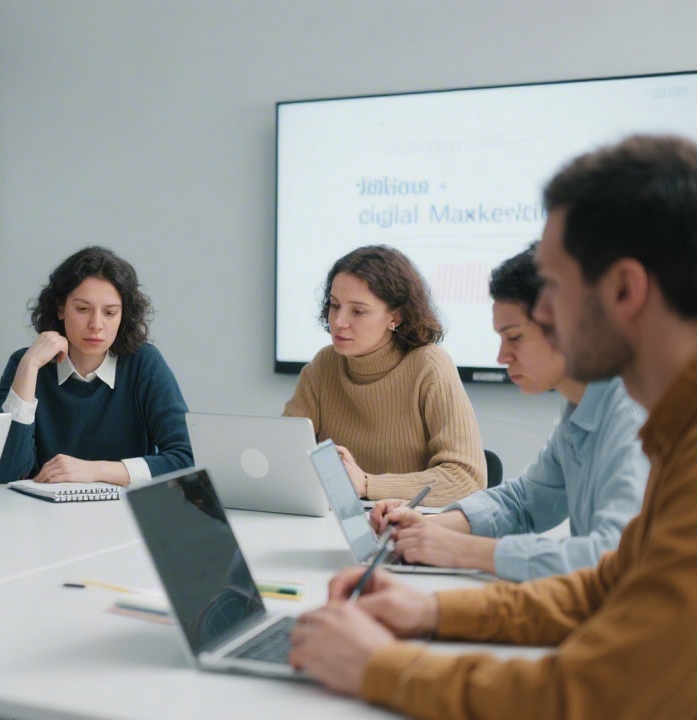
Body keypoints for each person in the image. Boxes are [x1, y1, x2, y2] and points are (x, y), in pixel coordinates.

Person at [287, 134, 697, 719]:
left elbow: (589, 693)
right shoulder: (673, 427)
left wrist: (382, 668)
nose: (541, 313)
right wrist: (432, 613)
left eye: (551, 288)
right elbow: (608, 582)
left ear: (625, 290)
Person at [369, 244, 648, 580]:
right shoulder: (581, 408)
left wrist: (459, 549)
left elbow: (612, 557)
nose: (502, 357)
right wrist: (435, 527)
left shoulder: (634, 415)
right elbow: (524, 502)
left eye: (514, 337)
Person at [284, 245, 485, 505]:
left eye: (357, 311)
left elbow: (466, 479)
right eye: (334, 306)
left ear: (396, 316)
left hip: (408, 530)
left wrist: (368, 485)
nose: (338, 321)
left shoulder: (429, 366)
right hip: (336, 524)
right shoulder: (324, 365)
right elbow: (285, 454)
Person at [0, 246, 192, 485]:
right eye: (83, 309)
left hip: (124, 513)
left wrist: (95, 471)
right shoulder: (25, 364)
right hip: (43, 515)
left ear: (123, 315)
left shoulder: (143, 364)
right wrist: (29, 366)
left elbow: (185, 459)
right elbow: (6, 472)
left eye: (110, 312)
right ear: (60, 309)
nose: (96, 324)